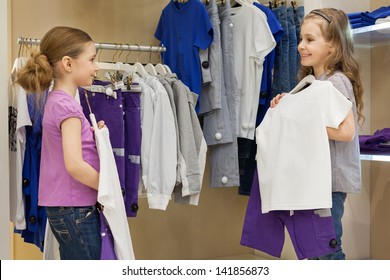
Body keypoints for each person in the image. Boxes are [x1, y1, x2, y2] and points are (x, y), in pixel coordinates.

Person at [271, 8, 364, 260]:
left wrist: (302, 125)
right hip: (317, 181)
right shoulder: (313, 81)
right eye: (301, 39)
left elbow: (346, 132)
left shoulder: (336, 82)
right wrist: (286, 105)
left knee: (326, 250)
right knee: (315, 250)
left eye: (310, 40)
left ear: (333, 46)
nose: (301, 45)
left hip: (329, 184)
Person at [16, 26, 105, 260]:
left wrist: (93, 136)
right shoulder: (68, 108)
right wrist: (107, 188)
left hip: (65, 208)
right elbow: (74, 164)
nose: (96, 67)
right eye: (92, 59)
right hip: (76, 210)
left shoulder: (56, 102)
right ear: (68, 63)